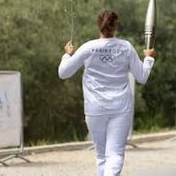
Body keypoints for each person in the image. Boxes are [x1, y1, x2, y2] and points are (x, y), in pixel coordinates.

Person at [58, 11, 155, 176]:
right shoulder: (126, 47)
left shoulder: (88, 47)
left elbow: (63, 73)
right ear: (116, 26)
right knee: (115, 154)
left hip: (94, 107)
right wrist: (148, 59)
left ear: (99, 26)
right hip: (120, 107)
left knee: (101, 155)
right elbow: (142, 77)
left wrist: (67, 54)